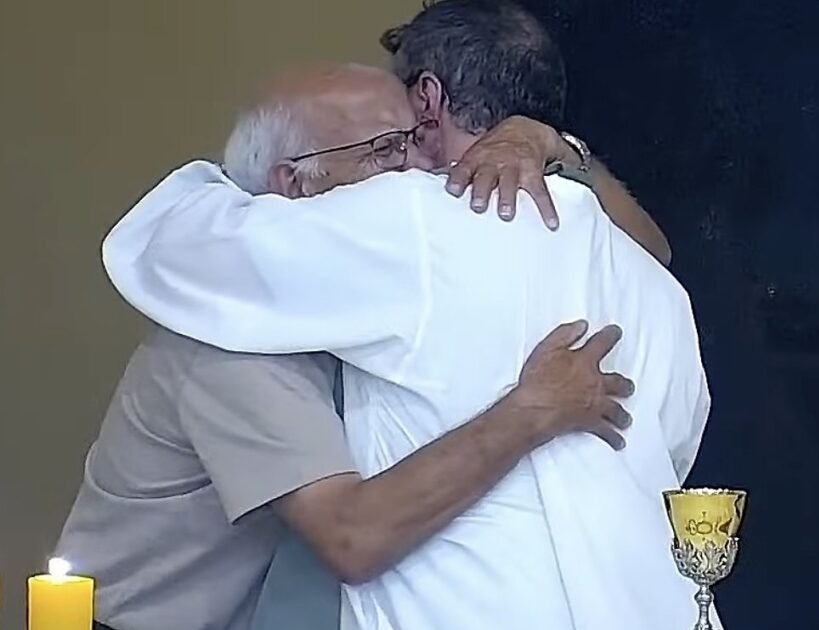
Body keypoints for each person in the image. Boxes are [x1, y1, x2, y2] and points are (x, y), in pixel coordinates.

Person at [100, 2, 717, 630]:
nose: (410, 167)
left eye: (404, 143)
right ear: (295, 188)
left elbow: (164, 240)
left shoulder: (412, 225)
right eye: (385, 150)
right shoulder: (651, 282)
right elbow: (676, 438)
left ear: (427, 100)